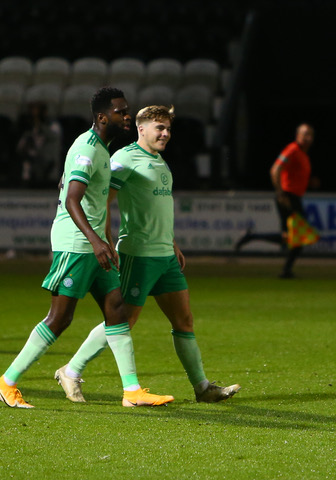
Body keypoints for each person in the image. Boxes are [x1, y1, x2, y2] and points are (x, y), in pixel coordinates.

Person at [0, 87, 174, 408]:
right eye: (120, 112)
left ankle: (132, 391)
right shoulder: (86, 148)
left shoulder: (101, 149)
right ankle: (6, 382)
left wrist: (104, 240)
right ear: (102, 117)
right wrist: (96, 240)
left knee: (117, 311)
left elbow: (88, 198)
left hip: (93, 244)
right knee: (59, 319)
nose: (127, 116)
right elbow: (72, 200)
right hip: (76, 244)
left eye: (127, 110)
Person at [54, 105, 241, 404]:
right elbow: (102, 202)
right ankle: (71, 369)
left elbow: (158, 209)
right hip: (137, 254)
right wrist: (106, 240)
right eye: (159, 128)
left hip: (164, 255)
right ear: (141, 129)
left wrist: (172, 242)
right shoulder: (125, 158)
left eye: (168, 129)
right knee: (122, 321)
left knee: (184, 320)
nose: (165, 134)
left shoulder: (159, 160)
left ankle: (203, 388)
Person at [235, 123, 315, 278]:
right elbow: (275, 169)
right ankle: (286, 270)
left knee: (290, 237)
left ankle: (252, 237)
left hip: (294, 197)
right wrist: (280, 193)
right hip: (288, 197)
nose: (308, 138)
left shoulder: (303, 154)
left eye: (310, 135)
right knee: (299, 236)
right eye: (305, 134)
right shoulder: (292, 149)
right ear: (297, 135)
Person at [16, 101, 62, 188]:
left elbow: (53, 136)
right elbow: (22, 145)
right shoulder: (31, 127)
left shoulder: (53, 125)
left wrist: (40, 125)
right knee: (27, 161)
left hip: (49, 159)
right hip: (36, 159)